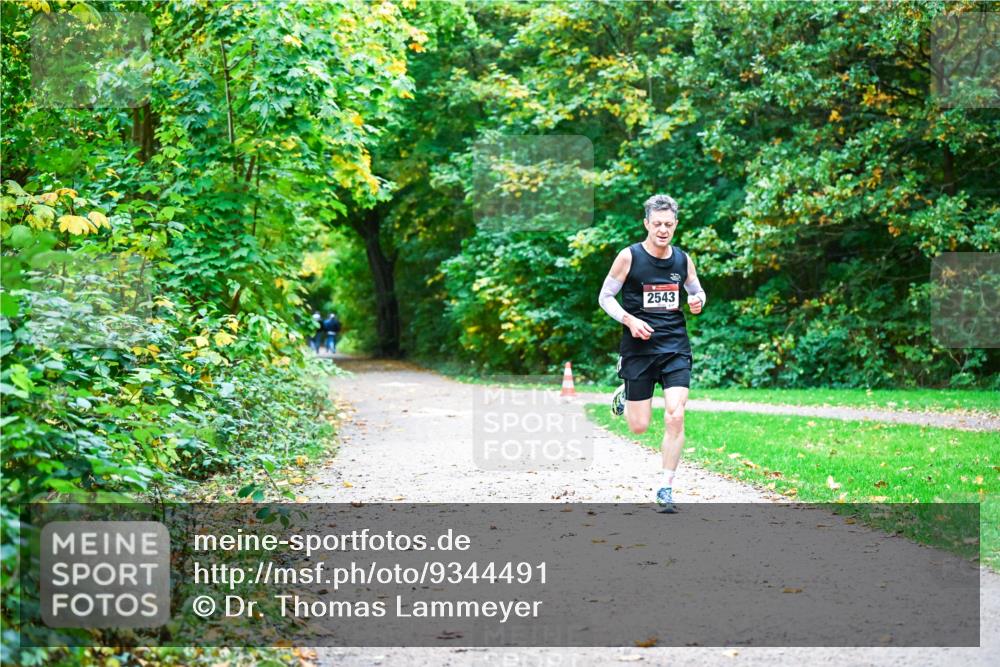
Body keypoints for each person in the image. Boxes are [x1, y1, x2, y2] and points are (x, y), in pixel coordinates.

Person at [597, 194, 706, 513]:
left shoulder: (682, 260)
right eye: (657, 224)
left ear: (675, 225)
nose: (662, 230)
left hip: (674, 346)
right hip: (639, 349)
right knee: (639, 426)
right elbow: (605, 297)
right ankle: (627, 390)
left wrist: (699, 300)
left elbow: (696, 290)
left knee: (676, 414)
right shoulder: (629, 257)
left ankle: (666, 486)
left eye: (668, 224)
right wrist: (629, 320)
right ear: (646, 223)